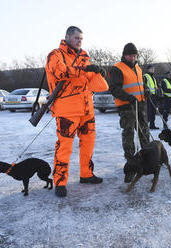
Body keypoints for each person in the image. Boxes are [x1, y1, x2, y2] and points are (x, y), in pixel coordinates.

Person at [45, 26, 109, 197]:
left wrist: (98, 73)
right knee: (64, 146)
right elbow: (59, 72)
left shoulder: (84, 56)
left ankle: (86, 174)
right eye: (76, 38)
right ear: (67, 37)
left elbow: (97, 84)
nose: (80, 41)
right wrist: (86, 70)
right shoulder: (55, 54)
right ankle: (60, 182)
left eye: (81, 38)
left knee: (88, 143)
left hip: (87, 108)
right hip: (67, 109)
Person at [108, 43, 150, 159]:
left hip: (140, 105)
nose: (133, 58)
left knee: (144, 131)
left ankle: (148, 156)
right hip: (126, 107)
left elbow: (141, 84)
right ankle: (130, 159)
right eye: (130, 55)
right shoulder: (117, 68)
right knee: (129, 133)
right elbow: (114, 89)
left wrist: (146, 90)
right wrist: (128, 97)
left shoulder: (138, 68)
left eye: (135, 56)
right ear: (124, 55)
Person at [143, 65, 159, 129]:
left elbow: (155, 86)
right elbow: (143, 86)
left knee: (153, 111)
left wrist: (157, 89)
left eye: (153, 69)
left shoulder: (153, 78)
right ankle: (146, 125)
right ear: (148, 69)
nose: (153, 70)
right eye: (151, 69)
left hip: (154, 96)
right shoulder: (145, 76)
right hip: (148, 96)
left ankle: (152, 125)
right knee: (148, 111)